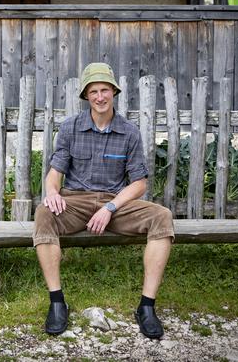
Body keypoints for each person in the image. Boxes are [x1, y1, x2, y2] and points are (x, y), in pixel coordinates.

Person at [33, 62, 174, 339]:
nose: (100, 96)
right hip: (77, 201)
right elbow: (55, 172)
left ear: (114, 92)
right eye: (94, 91)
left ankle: (146, 307)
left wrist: (110, 208)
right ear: (86, 95)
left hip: (115, 204)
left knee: (162, 216)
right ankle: (57, 302)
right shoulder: (71, 127)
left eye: (105, 90)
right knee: (43, 213)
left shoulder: (129, 132)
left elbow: (139, 183)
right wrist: (52, 192)